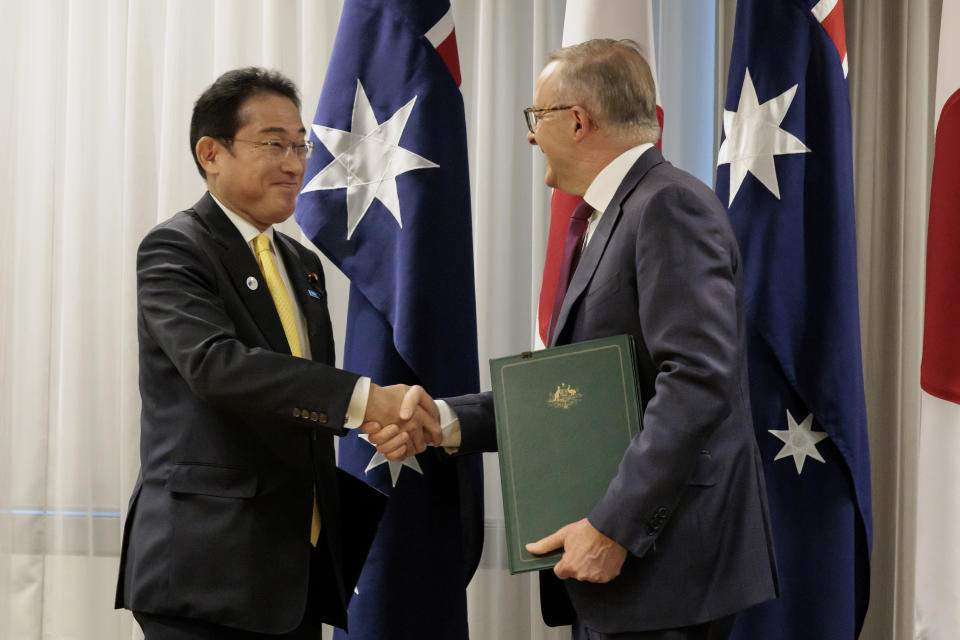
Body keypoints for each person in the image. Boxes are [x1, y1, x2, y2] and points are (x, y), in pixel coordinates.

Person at [364, 39, 779, 640]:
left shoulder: (667, 206)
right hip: (629, 574)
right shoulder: (612, 216)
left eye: (536, 118)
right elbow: (575, 394)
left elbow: (696, 381)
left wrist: (614, 527)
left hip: (664, 571)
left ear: (578, 120)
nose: (531, 137)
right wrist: (446, 421)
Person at [115, 67, 440, 639]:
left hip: (293, 573)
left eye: (300, 145)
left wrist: (367, 422)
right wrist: (366, 401)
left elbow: (299, 392)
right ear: (210, 153)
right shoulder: (175, 248)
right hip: (206, 575)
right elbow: (218, 367)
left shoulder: (302, 264)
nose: (295, 164)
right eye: (273, 145)